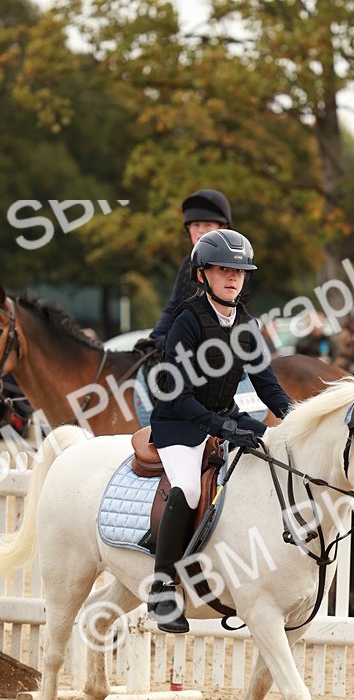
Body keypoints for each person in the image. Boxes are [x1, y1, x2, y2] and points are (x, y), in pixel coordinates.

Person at [146, 228, 293, 634]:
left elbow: (267, 386)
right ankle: (162, 588)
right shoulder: (187, 321)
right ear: (202, 275)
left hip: (221, 414)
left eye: (240, 271)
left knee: (274, 448)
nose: (233, 277)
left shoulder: (246, 323)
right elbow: (177, 395)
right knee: (190, 489)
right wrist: (222, 426)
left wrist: (294, 419)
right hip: (177, 423)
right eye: (223, 269)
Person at [134, 189, 233, 356]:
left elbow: (219, 315)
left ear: (223, 227)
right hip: (188, 343)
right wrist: (154, 337)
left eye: (208, 225)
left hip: (224, 346)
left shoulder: (233, 263)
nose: (201, 230)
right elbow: (174, 306)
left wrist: (174, 339)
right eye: (196, 225)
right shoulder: (188, 262)